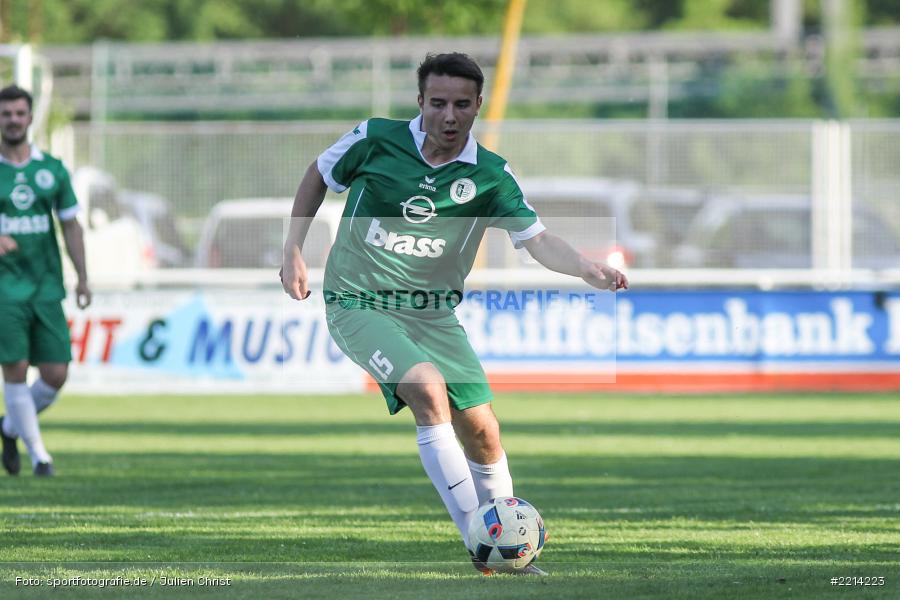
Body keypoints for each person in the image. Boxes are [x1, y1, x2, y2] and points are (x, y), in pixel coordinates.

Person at [281, 53, 627, 575]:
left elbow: (536, 240)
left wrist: (583, 267)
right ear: (420, 102)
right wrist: (292, 248)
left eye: (461, 104)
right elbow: (319, 174)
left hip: (433, 314)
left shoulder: (489, 176)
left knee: (483, 430)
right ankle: (481, 541)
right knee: (425, 385)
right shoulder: (376, 138)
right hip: (359, 301)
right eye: (438, 103)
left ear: (476, 106)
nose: (448, 115)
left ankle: (513, 553)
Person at [0, 84, 91, 477]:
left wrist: (83, 277)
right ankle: (40, 456)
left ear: (31, 117)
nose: (13, 120)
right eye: (6, 114)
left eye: (19, 113)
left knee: (55, 374)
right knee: (15, 368)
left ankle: (8, 427)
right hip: (5, 289)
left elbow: (72, 225)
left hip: (46, 286)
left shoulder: (51, 169)